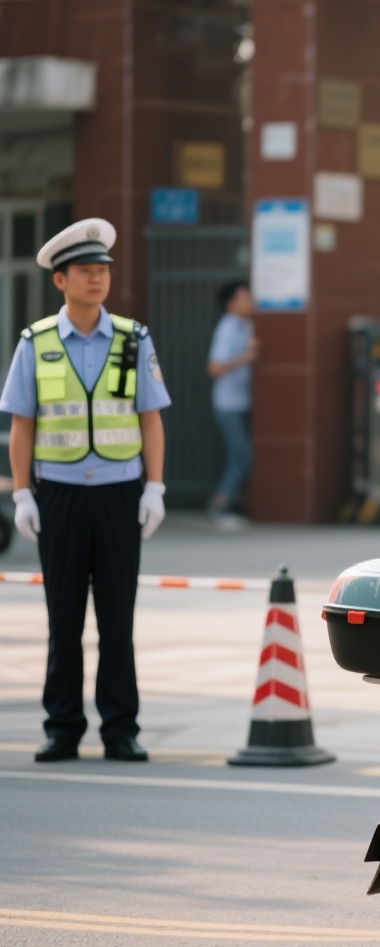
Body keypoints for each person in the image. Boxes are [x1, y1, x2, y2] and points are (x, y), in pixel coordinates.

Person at [1, 218, 170, 763]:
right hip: (61, 496)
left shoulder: (132, 337)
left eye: (102, 271)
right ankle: (62, 728)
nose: (97, 280)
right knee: (64, 618)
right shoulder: (37, 343)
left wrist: (156, 487)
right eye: (85, 272)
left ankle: (121, 729)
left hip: (122, 494)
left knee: (118, 618)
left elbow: (151, 418)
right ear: (61, 281)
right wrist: (23, 494)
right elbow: (22, 425)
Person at [207, 279, 257, 528]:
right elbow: (214, 368)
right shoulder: (227, 328)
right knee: (242, 456)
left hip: (242, 402)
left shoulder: (245, 326)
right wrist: (244, 357)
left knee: (238, 456)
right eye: (244, 297)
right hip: (228, 404)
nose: (250, 302)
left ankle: (231, 504)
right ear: (231, 303)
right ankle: (220, 506)